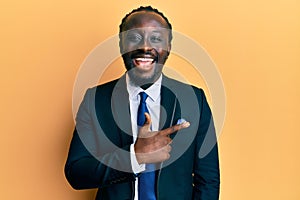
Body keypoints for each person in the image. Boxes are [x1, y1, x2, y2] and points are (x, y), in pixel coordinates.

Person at [65, 6, 220, 200]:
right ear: (122, 45)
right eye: (134, 38)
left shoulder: (194, 99)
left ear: (168, 46)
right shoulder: (96, 100)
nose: (145, 47)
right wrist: (134, 157)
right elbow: (76, 173)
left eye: (156, 38)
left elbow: (208, 180)